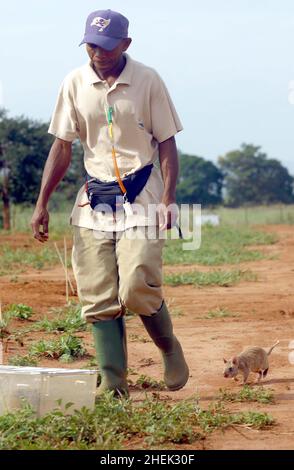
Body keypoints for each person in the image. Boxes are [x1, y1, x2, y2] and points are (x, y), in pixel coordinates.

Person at [31, 9, 189, 396]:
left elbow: (167, 142)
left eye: (104, 46)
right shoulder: (75, 82)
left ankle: (168, 347)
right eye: (90, 45)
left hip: (142, 192)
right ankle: (114, 381)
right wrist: (41, 203)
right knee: (98, 292)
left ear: (125, 44)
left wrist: (168, 198)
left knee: (136, 283)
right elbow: (62, 146)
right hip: (95, 197)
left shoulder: (148, 80)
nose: (96, 53)